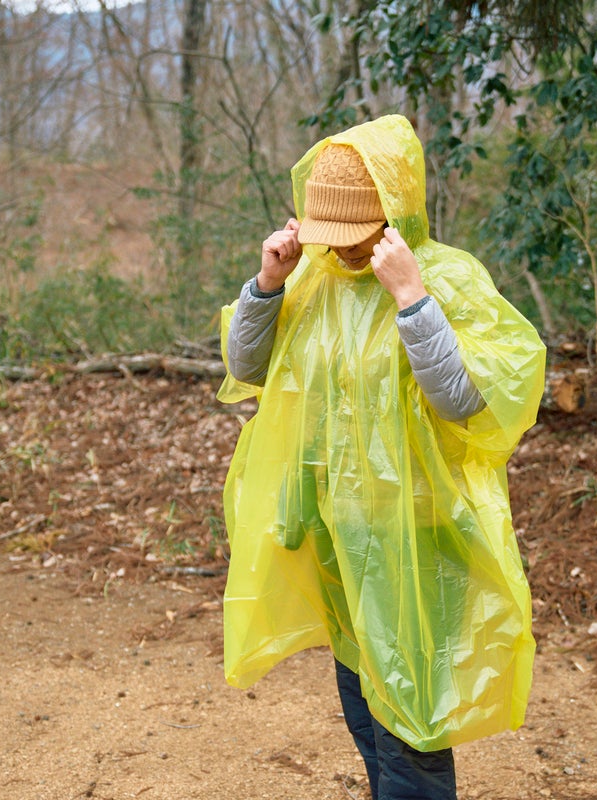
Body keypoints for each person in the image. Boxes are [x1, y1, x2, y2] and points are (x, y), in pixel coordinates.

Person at [217, 114, 546, 800]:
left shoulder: (445, 279)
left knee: (411, 726)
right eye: (328, 237)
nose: (341, 252)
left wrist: (411, 297)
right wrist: (268, 284)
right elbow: (248, 370)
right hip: (341, 532)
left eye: (354, 237)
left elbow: (470, 401)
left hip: (417, 537)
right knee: (365, 703)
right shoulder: (316, 278)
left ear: (393, 213)